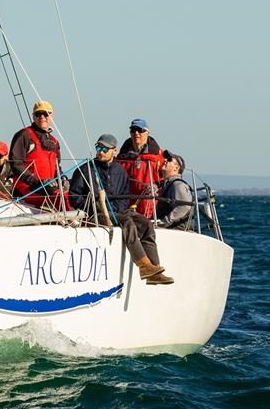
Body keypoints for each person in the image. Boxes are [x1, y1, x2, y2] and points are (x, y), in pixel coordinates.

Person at [69, 133, 174, 285]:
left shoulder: (120, 172)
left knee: (145, 224)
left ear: (114, 151)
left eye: (105, 149)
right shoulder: (85, 170)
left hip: (117, 211)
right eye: (98, 148)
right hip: (94, 214)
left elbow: (125, 197)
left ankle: (154, 269)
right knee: (128, 223)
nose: (101, 151)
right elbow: (74, 197)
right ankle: (143, 266)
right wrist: (96, 204)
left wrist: (116, 210)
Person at [9, 100, 67, 210]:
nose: (42, 117)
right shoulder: (24, 135)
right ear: (33, 117)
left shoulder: (54, 142)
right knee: (60, 197)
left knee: (70, 195)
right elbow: (15, 163)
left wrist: (63, 178)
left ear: (51, 116)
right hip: (27, 189)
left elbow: (56, 167)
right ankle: (71, 221)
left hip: (47, 188)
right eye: (38, 114)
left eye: (45, 113)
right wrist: (36, 181)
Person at [116, 118, 165, 219]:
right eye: (133, 130)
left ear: (147, 132)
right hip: (126, 202)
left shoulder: (159, 156)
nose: (136, 133)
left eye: (140, 130)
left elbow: (166, 177)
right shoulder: (121, 157)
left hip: (149, 203)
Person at [155, 150, 193, 229]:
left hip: (176, 231)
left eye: (169, 160)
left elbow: (184, 206)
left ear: (176, 168)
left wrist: (164, 222)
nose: (165, 160)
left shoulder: (178, 185)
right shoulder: (165, 185)